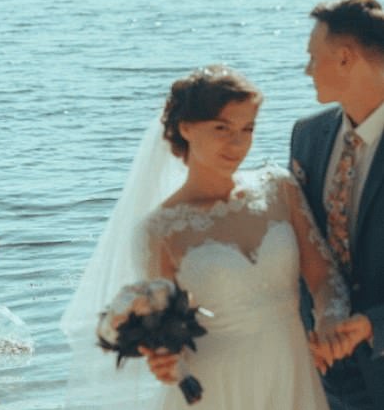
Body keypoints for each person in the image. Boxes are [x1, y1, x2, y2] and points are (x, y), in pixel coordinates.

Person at [62, 66, 350, 409]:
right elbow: (168, 331)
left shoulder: (280, 189)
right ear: (186, 129)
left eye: (248, 129)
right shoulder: (160, 230)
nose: (237, 143)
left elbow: (322, 276)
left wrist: (331, 321)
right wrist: (168, 362)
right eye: (221, 128)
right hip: (217, 387)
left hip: (292, 373)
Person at [290, 0, 384, 410]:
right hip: (321, 370)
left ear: (346, 58)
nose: (307, 69)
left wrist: (373, 325)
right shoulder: (307, 136)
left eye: (313, 57)